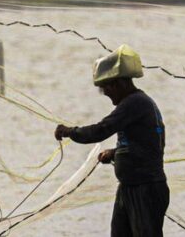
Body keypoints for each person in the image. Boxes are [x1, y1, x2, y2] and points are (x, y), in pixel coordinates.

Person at [54, 44, 169, 237]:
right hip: (130, 188)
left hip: (145, 189)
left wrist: (69, 131)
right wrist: (115, 154)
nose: (105, 93)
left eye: (106, 87)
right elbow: (146, 143)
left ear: (120, 83)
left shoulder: (135, 103)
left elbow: (101, 130)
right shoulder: (135, 104)